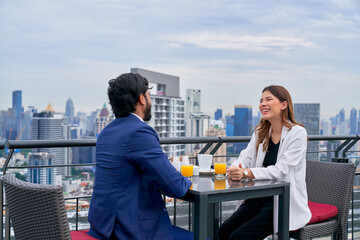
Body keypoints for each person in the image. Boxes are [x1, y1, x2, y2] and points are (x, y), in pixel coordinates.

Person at [87, 73, 193, 240]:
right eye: (149, 96)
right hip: (131, 230)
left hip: (102, 226)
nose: (150, 101)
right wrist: (190, 179)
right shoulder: (139, 131)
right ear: (142, 99)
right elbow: (175, 186)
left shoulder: (106, 132)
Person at [218, 85, 311, 240]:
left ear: (284, 104)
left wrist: (247, 173)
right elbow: (245, 156)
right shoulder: (261, 131)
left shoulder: (298, 133)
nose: (262, 103)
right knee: (223, 231)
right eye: (261, 100)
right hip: (258, 197)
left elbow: (282, 170)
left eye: (268, 99)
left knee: (239, 237)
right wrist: (236, 167)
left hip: (280, 202)